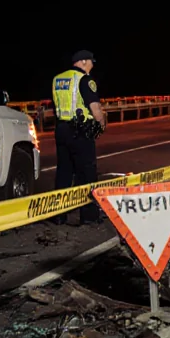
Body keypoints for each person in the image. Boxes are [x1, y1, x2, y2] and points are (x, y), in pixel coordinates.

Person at [51, 50, 106, 225]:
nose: (92, 66)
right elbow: (94, 107)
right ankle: (89, 216)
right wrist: (101, 124)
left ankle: (59, 215)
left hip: (61, 129)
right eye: (91, 62)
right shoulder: (85, 80)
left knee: (64, 173)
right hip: (81, 131)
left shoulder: (58, 79)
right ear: (83, 62)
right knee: (86, 173)